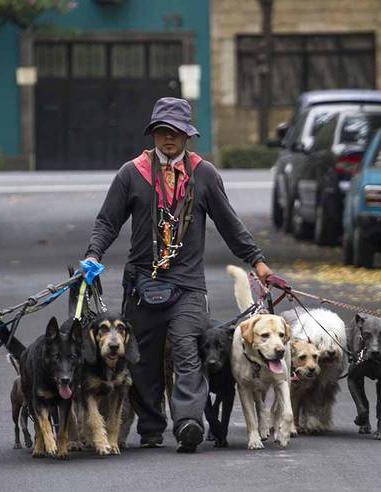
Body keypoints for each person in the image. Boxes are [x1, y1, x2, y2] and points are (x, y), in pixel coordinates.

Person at [84, 97, 273, 452]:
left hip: (186, 286)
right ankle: (152, 427)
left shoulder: (204, 174)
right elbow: (107, 221)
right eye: (162, 132)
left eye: (176, 133)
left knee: (188, 350)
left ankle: (187, 422)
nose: (168, 139)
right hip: (142, 283)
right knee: (141, 359)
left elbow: (230, 224)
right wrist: (93, 255)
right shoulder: (132, 173)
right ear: (153, 133)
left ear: (188, 136)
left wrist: (257, 261)